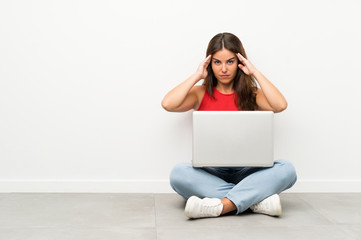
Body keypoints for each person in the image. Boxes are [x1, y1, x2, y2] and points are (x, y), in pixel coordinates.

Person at [161, 32, 297, 219]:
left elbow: (280, 105)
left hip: (247, 171)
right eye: (217, 62)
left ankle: (221, 206)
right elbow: (168, 104)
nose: (223, 69)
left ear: (239, 63)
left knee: (287, 169)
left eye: (230, 62)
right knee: (178, 174)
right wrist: (196, 75)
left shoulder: (252, 94)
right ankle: (254, 201)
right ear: (209, 63)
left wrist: (255, 73)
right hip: (210, 172)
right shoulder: (200, 93)